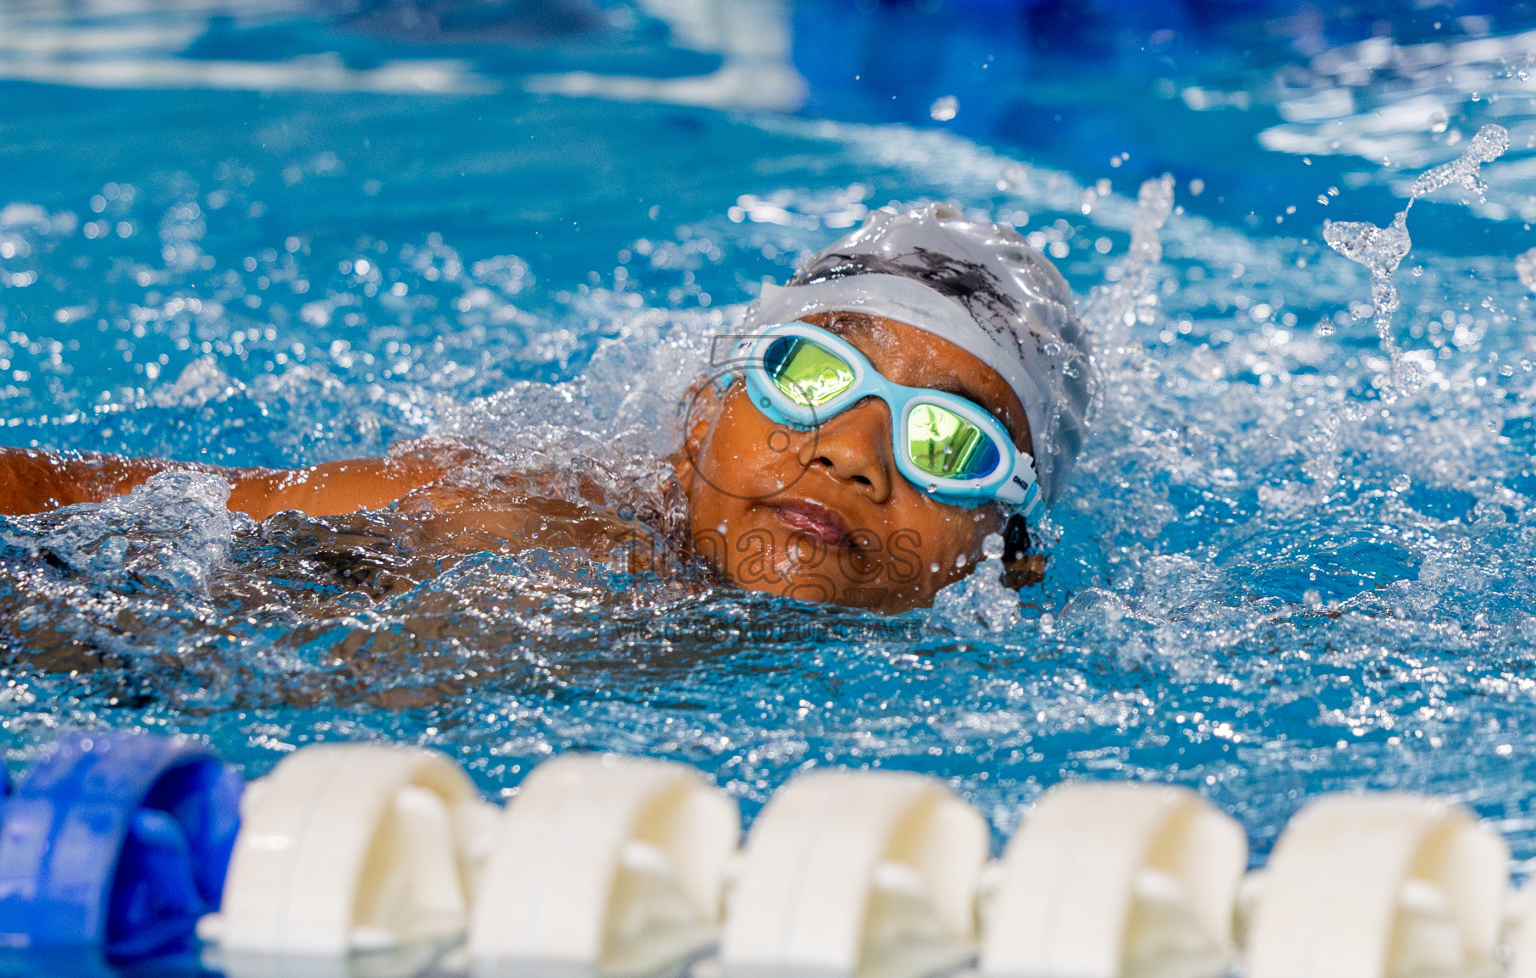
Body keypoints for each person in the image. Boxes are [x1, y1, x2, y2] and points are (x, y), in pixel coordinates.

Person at [0, 203, 1092, 613]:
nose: (853, 451)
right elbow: (71, 505)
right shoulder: (504, 513)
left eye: (950, 439)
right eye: (810, 376)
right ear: (694, 422)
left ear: (1011, 556)